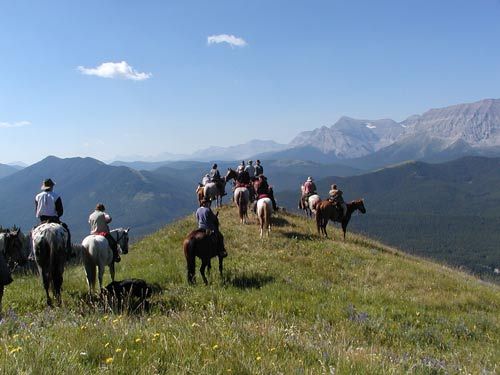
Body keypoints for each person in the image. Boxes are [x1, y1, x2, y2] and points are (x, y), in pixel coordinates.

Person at [34, 178, 71, 254]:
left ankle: (32, 253)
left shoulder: (37, 197)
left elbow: (36, 209)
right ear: (51, 186)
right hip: (54, 220)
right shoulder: (56, 196)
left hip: (42, 220)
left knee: (33, 233)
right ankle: (68, 251)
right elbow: (60, 211)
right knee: (67, 231)